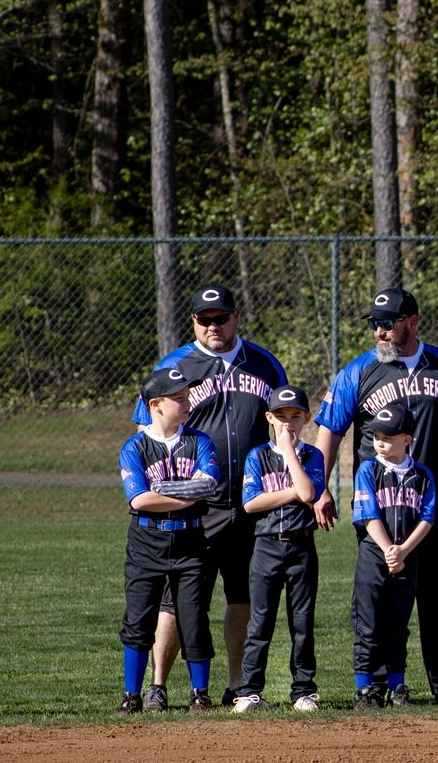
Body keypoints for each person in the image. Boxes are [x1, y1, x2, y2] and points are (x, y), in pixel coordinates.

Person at [314, 286, 438, 703]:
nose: (380, 332)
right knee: (381, 600)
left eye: (388, 323)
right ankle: (380, 685)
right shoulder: (358, 372)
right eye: (374, 325)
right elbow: (330, 430)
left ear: (412, 323)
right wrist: (321, 489)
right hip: (380, 513)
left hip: (434, 508)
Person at [132, 283, 287, 710]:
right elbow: (146, 433)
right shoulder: (175, 366)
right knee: (178, 596)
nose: (213, 325)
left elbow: (283, 425)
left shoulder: (263, 363)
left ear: (236, 317)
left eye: (221, 317)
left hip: (252, 502)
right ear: (194, 322)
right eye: (205, 319)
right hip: (194, 506)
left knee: (243, 594)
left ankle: (239, 685)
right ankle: (158, 686)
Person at [117, 368, 221, 714]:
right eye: (179, 399)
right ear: (155, 404)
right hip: (146, 540)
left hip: (191, 541)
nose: (187, 403)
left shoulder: (199, 441)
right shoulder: (135, 447)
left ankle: (199, 694)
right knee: (139, 619)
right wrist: (187, 494)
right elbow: (139, 500)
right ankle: (132, 697)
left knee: (193, 618)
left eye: (187, 397)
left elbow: (209, 484)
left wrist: (162, 489)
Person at [232, 386, 325, 713]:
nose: (288, 423)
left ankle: (303, 690)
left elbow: (309, 492)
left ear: (306, 419)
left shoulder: (313, 456)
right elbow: (251, 503)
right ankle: (249, 691)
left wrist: (288, 453)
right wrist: (293, 492)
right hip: (267, 546)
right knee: (260, 623)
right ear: (269, 418)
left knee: (302, 622)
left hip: (301, 546)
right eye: (281, 417)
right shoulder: (257, 455)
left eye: (295, 416)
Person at [350, 404, 436, 709]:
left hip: (407, 555)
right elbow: (368, 515)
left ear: (407, 439)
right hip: (375, 553)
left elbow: (427, 517)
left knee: (399, 622)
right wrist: (390, 550)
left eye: (388, 437)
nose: (380, 442)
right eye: (376, 436)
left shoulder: (423, 475)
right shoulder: (368, 469)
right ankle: (366, 688)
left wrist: (403, 551)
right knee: (368, 622)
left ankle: (397, 685)